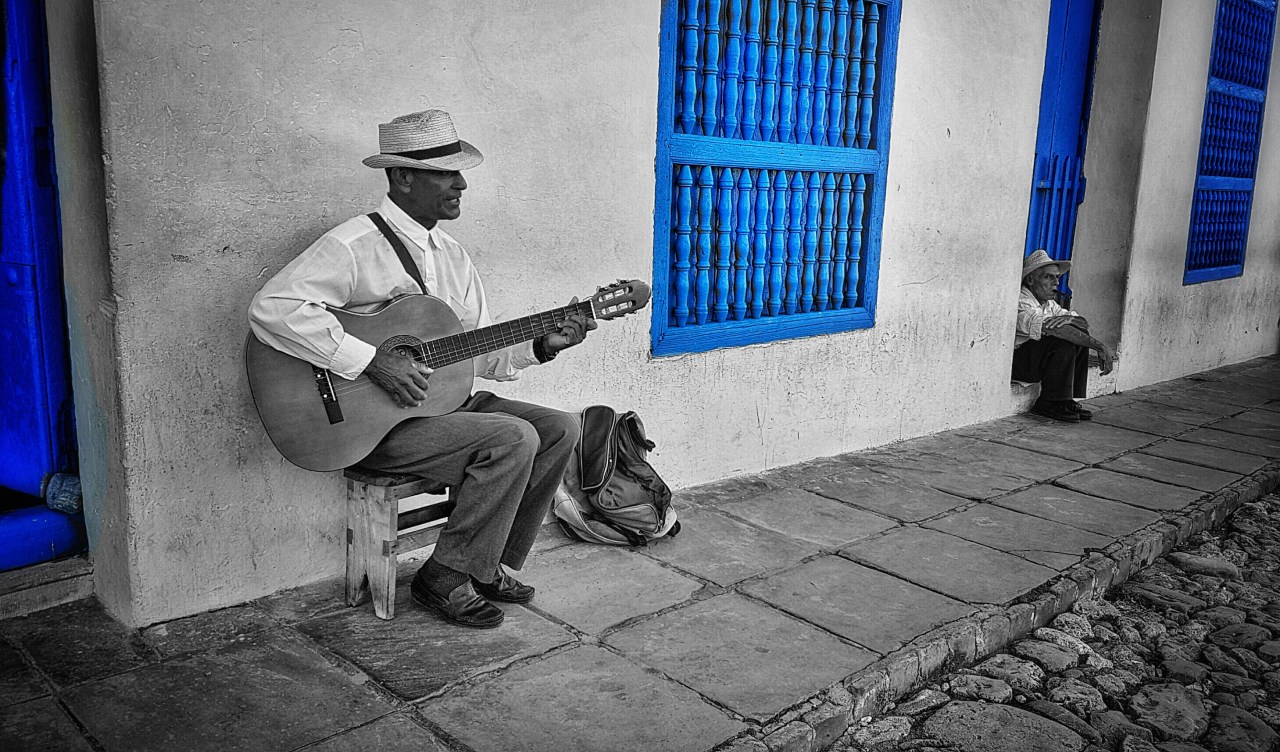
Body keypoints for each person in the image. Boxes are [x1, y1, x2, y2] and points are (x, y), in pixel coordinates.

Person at [248, 109, 595, 628]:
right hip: (371, 427)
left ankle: (485, 564)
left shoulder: (455, 257)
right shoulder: (352, 246)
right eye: (446, 173)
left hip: (443, 408)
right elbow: (271, 308)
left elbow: (480, 352)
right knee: (513, 437)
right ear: (403, 176)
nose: (461, 185)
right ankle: (444, 577)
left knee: (559, 428)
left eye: (460, 173)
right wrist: (371, 360)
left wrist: (544, 344)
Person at [1013, 249, 1115, 424]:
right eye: (1048, 277)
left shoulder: (1049, 304)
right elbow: (1055, 330)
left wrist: (1071, 319)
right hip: (1018, 364)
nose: (1056, 283)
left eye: (1057, 277)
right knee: (1063, 343)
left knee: (1080, 335)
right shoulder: (1022, 301)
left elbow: (1083, 324)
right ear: (1030, 280)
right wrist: (1099, 346)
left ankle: (1065, 399)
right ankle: (1049, 402)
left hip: (1036, 361)